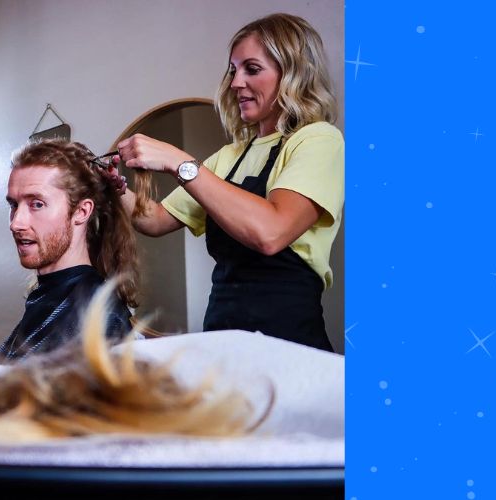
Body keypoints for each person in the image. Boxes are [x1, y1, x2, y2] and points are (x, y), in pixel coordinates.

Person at [109, 13, 343, 351]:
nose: (235, 83)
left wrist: (179, 161)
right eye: (233, 70)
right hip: (220, 336)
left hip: (287, 341)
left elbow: (271, 233)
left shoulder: (318, 140)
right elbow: (155, 220)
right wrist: (113, 186)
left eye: (252, 68)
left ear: (293, 73)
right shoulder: (228, 157)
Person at [0, 139, 139, 362]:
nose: (16, 223)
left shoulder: (101, 318)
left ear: (81, 211)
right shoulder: (45, 296)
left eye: (37, 204)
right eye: (13, 205)